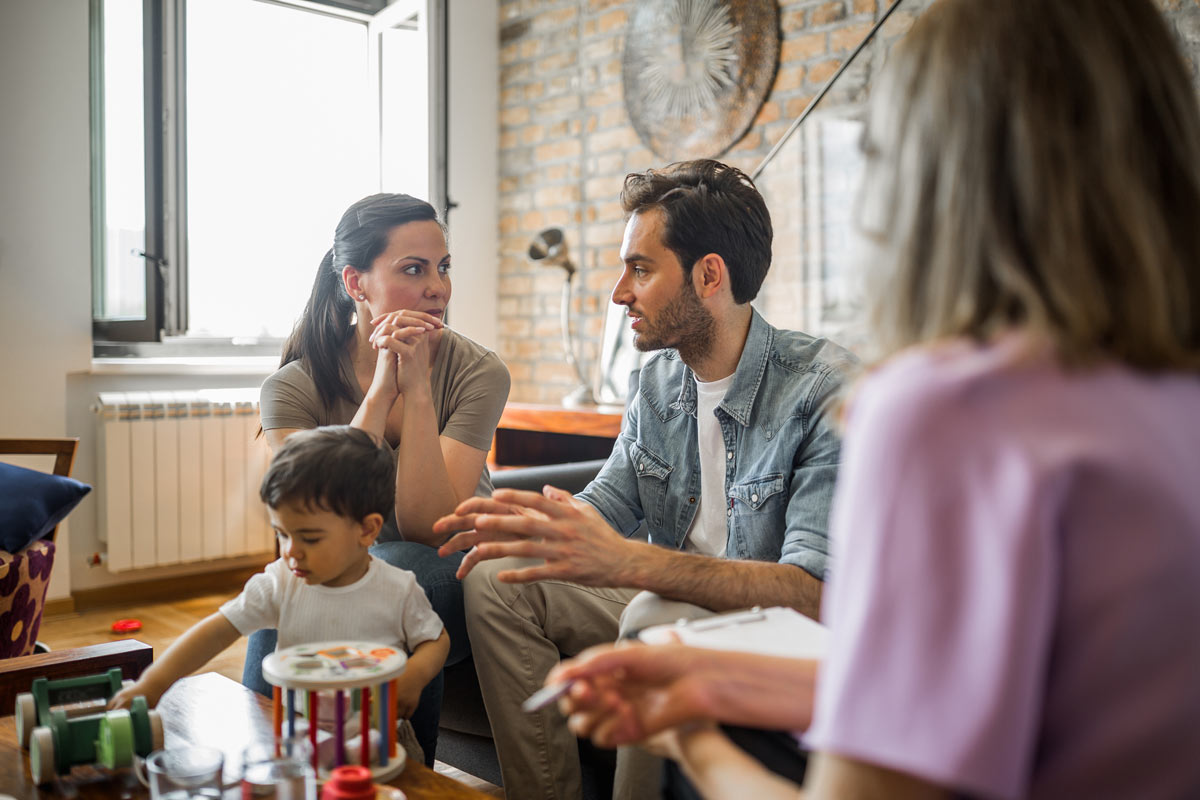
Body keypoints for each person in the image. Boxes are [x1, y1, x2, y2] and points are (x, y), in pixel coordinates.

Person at [551, 0, 1200, 797]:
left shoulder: (938, 413)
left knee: (649, 617)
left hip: (771, 625)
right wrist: (710, 680)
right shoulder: (1173, 401)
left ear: (928, 178)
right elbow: (1000, 705)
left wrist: (690, 733)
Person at [433, 159, 857, 799]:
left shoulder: (822, 389)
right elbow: (610, 499)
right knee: (499, 579)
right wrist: (544, 527)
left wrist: (632, 564)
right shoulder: (659, 382)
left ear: (709, 274)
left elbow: (811, 593)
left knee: (654, 608)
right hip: (667, 600)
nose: (618, 293)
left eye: (640, 269)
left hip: (770, 631)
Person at [245, 193, 510, 763]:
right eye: (413, 269)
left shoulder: (479, 371)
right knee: (289, 589)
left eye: (443, 268)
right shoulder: (294, 387)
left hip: (455, 574)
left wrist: (417, 394)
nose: (437, 287)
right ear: (355, 283)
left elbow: (430, 528)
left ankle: (407, 778)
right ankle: (267, 766)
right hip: (347, 571)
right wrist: (380, 391)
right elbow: (317, 511)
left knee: (397, 572)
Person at [113, 426, 451, 767]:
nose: (292, 552)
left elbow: (436, 640)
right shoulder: (281, 582)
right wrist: (152, 684)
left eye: (310, 538)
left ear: (366, 529)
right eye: (282, 535)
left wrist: (415, 674)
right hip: (302, 737)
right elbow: (217, 630)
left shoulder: (398, 588)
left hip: (382, 740)